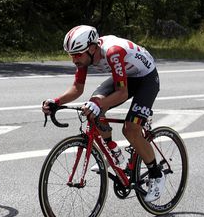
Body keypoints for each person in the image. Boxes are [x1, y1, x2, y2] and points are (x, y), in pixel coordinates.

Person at [42, 25, 163, 202]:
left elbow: (122, 93)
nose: (74, 60)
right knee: (92, 107)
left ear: (92, 48)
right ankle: (113, 151)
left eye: (77, 55)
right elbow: (77, 88)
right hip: (126, 75)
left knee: (130, 130)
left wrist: (99, 105)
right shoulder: (85, 55)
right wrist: (56, 101)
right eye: (71, 55)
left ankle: (156, 174)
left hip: (146, 79)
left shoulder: (113, 52)